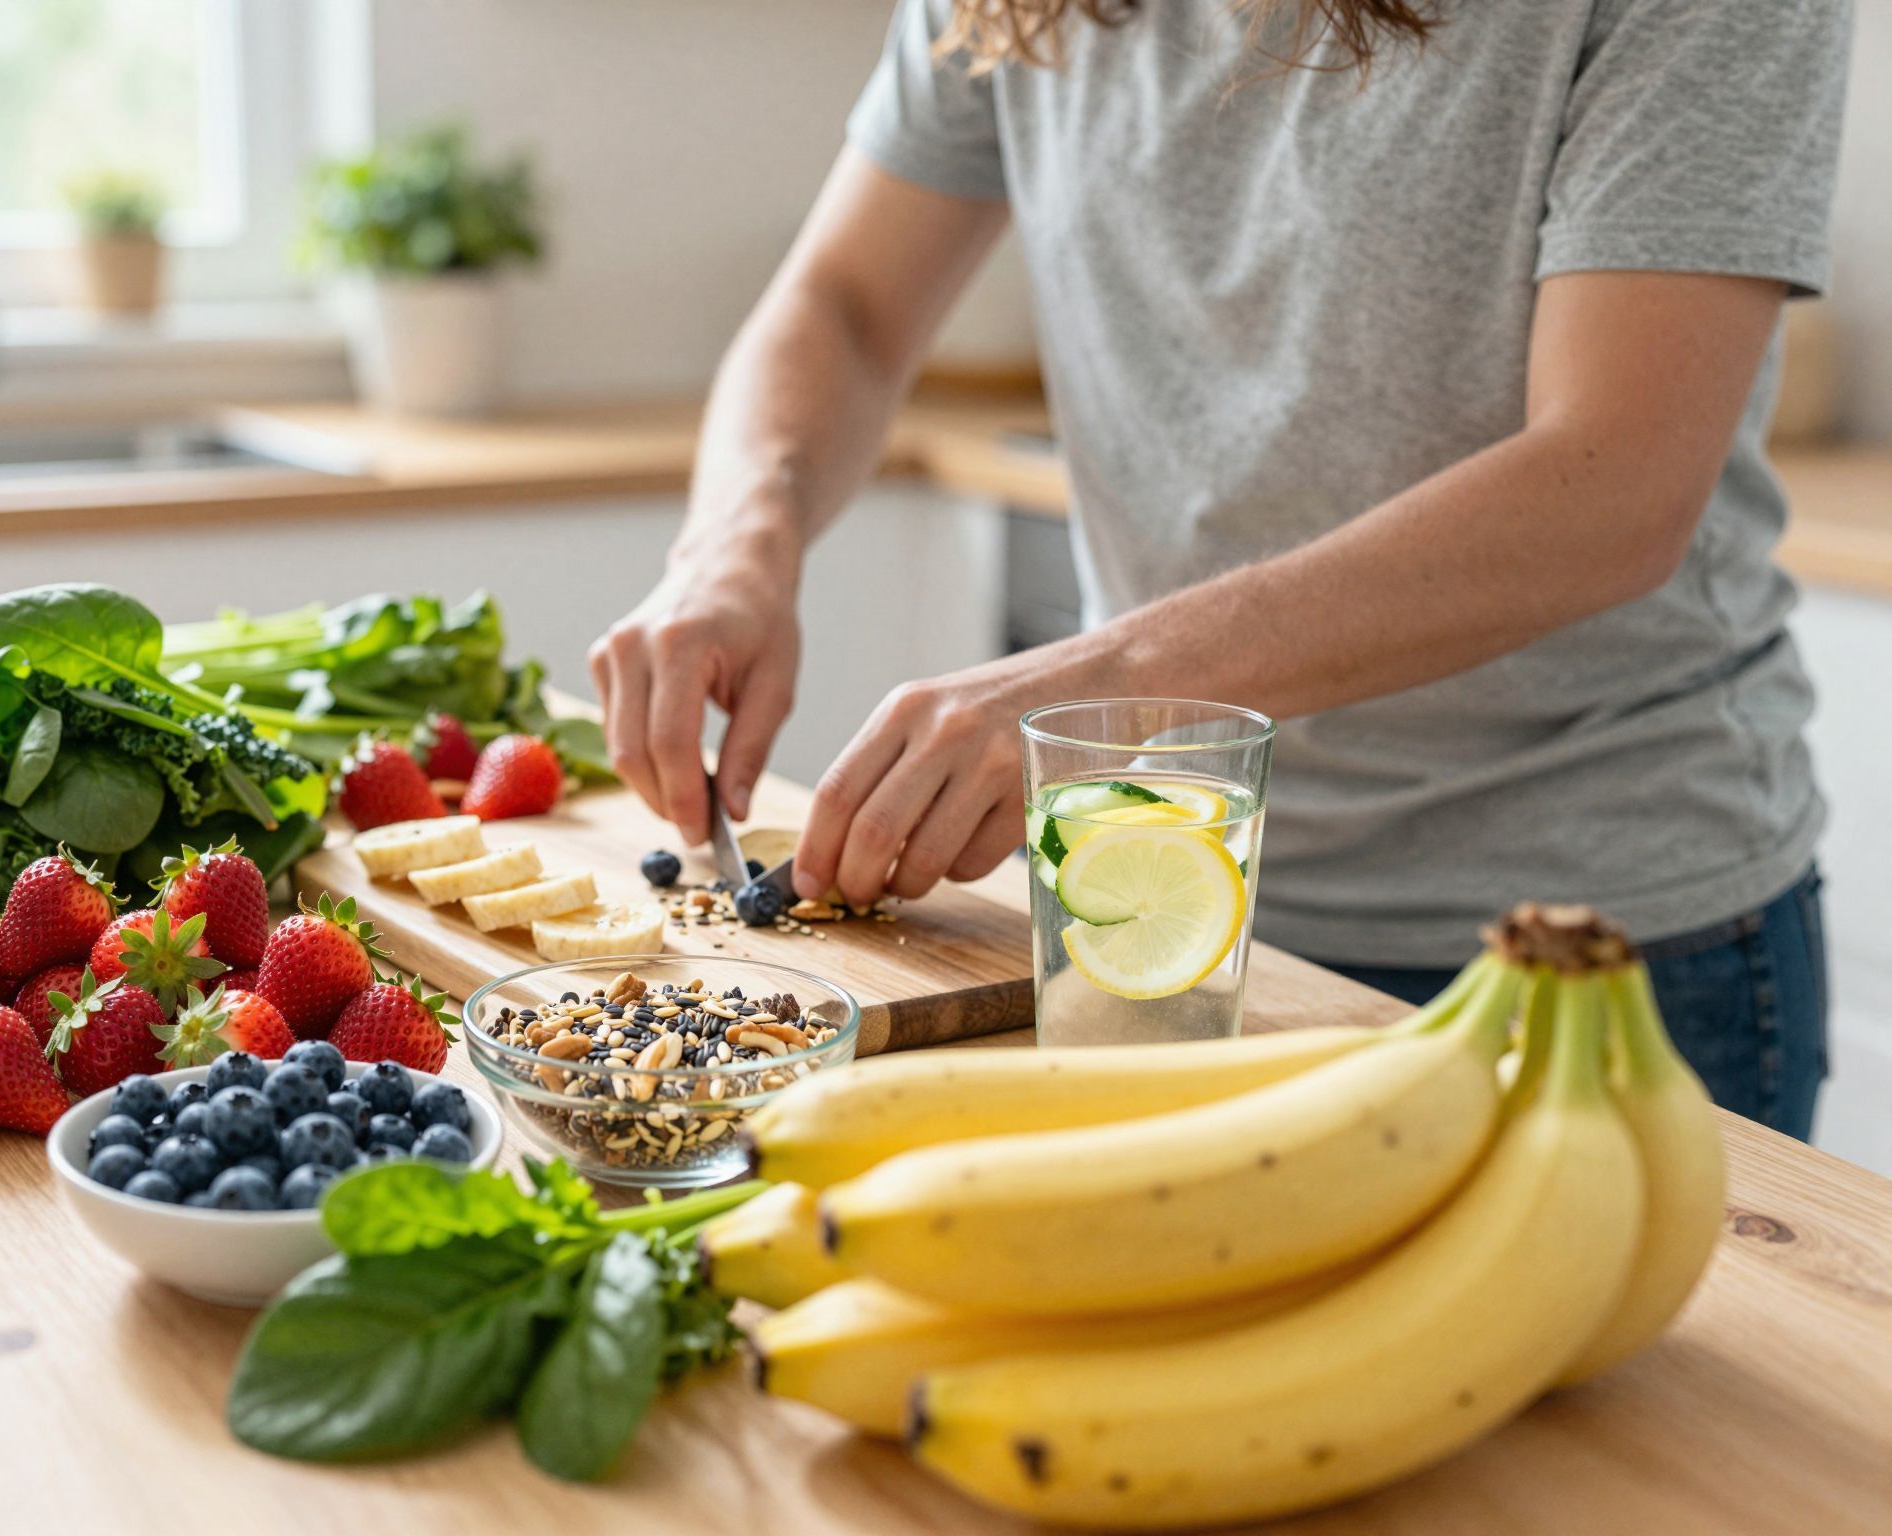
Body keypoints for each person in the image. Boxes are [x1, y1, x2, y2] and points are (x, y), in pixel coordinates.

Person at [591, 0, 1849, 1140]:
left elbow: (1613, 484)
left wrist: (1099, 686)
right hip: (1146, 918)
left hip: (1595, 942)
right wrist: (733, 544)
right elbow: (846, 304)